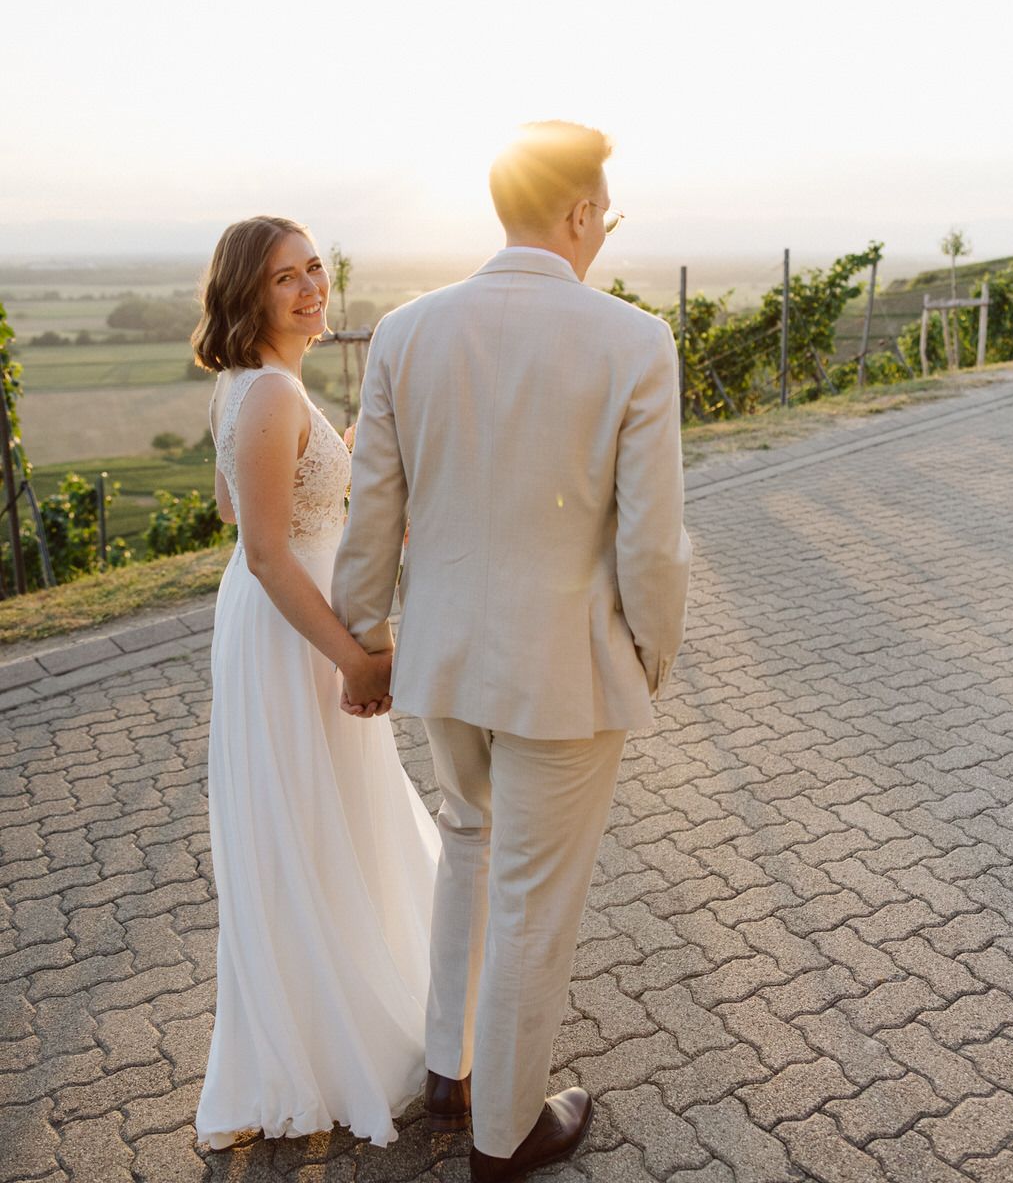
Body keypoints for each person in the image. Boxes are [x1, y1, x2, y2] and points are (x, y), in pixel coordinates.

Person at [332, 123, 691, 1181]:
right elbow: (651, 541)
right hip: (565, 673)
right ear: (579, 212)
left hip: (444, 656)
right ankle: (503, 1133)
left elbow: (372, 509)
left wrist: (368, 634)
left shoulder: (405, 331)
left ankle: (449, 1068)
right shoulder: (632, 341)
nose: (601, 233)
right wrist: (648, 655)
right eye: (604, 215)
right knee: (534, 896)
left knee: (470, 843)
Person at [191, 215, 439, 1152]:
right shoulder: (265, 398)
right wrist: (354, 655)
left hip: (291, 622)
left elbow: (233, 503)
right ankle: (330, 1045)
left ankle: (345, 1014)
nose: (309, 289)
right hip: (294, 636)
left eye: (314, 269)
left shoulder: (254, 387)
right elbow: (260, 550)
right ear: (246, 294)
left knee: (330, 817)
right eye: (285, 278)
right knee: (312, 818)